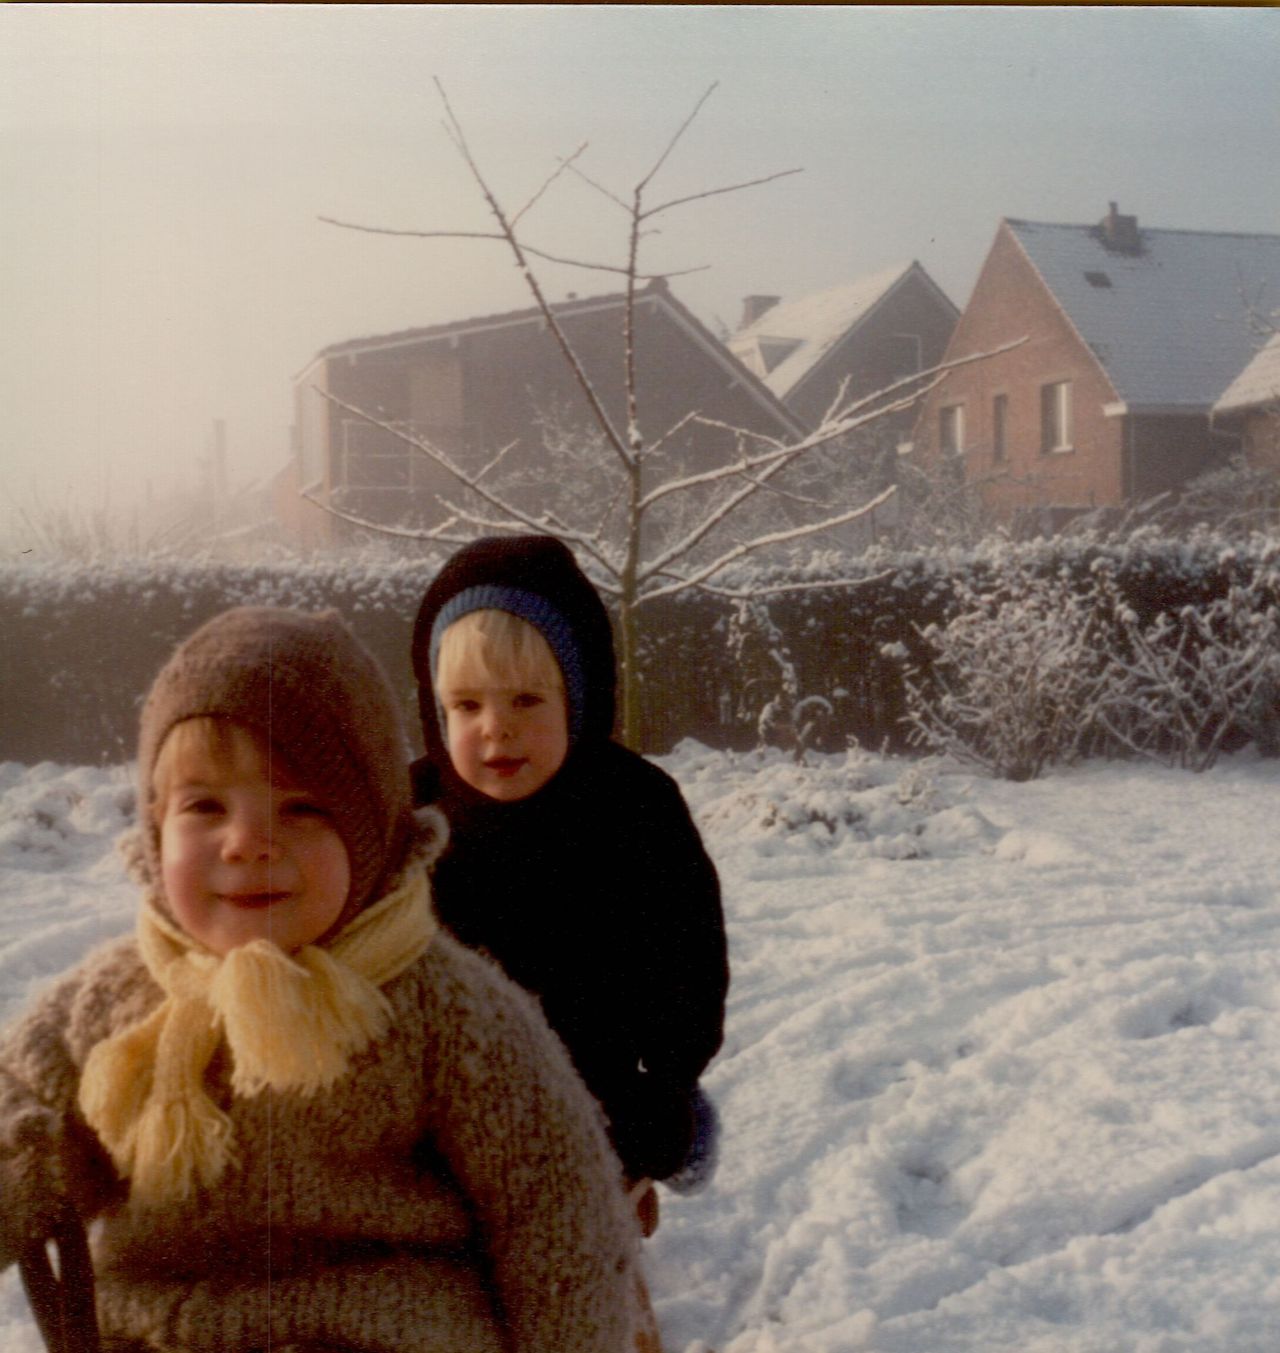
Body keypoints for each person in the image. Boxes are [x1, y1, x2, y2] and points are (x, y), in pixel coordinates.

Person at [0, 606, 640, 1353]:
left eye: (300, 808)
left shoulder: (444, 1009)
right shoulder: (115, 998)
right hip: (154, 1332)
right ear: (154, 821)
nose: (247, 843)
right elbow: (21, 1098)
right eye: (206, 805)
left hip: (381, 1333)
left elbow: (557, 1209)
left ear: (372, 829)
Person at [409, 536, 730, 1235]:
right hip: (447, 1105)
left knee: (578, 1258)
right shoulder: (416, 816)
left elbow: (688, 953)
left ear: (578, 697)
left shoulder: (633, 809)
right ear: (436, 709)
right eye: (466, 705)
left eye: (527, 698)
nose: (497, 726)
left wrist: (667, 1087)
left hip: (596, 1096)